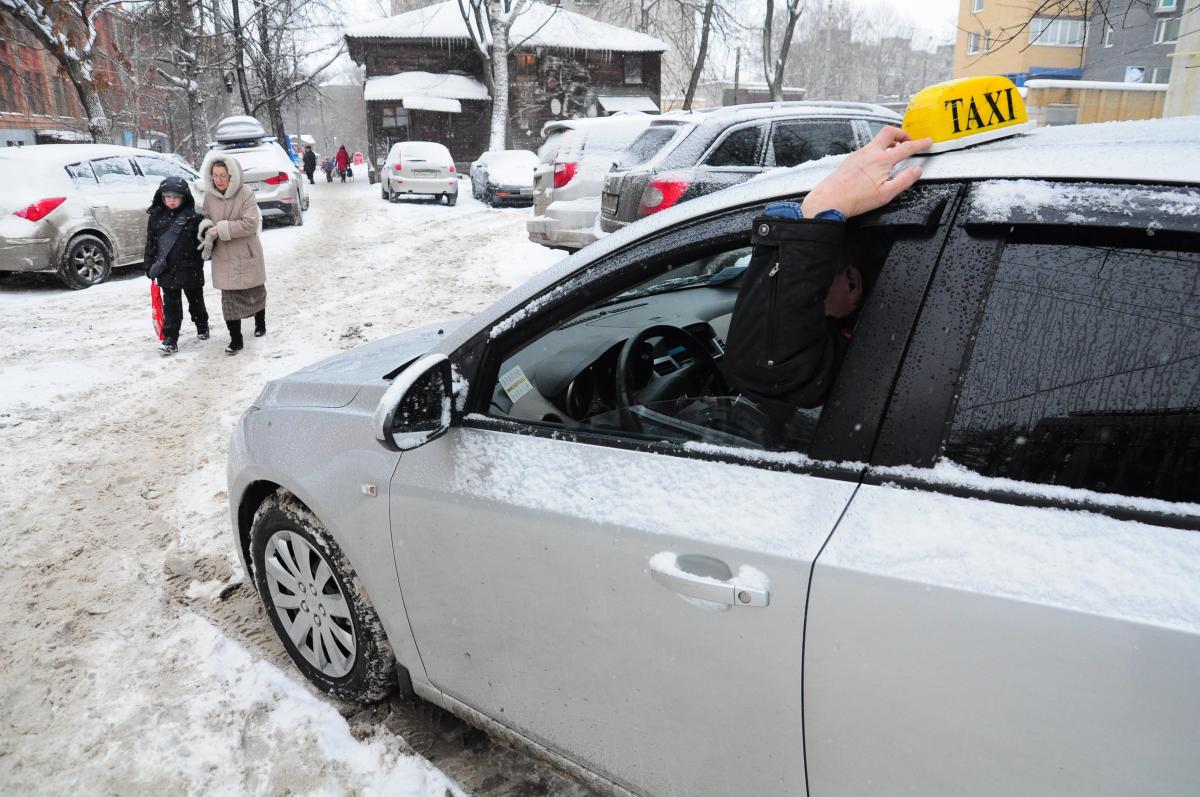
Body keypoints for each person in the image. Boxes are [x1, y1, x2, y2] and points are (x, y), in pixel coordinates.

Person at [721, 126, 932, 446]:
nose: (810, 301)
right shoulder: (901, 329)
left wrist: (819, 211)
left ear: (852, 283)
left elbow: (768, 370)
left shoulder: (865, 351)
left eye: (815, 287)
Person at [198, 152, 268, 355]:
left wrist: (220, 229)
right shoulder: (210, 196)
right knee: (229, 299)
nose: (219, 180)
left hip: (246, 252)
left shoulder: (245, 193)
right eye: (215, 175)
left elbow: (250, 224)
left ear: (232, 175)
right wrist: (205, 228)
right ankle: (235, 339)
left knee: (254, 292)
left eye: (223, 175)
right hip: (224, 255)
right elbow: (206, 217)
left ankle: (260, 321)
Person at [144, 176, 208, 355]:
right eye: (168, 197)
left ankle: (202, 324)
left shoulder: (194, 218)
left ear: (184, 197)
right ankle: (170, 338)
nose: (172, 201)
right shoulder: (156, 218)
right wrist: (149, 265)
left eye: (176, 197)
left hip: (191, 269)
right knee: (171, 307)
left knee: (196, 302)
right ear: (162, 197)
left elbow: (203, 241)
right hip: (167, 270)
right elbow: (151, 243)